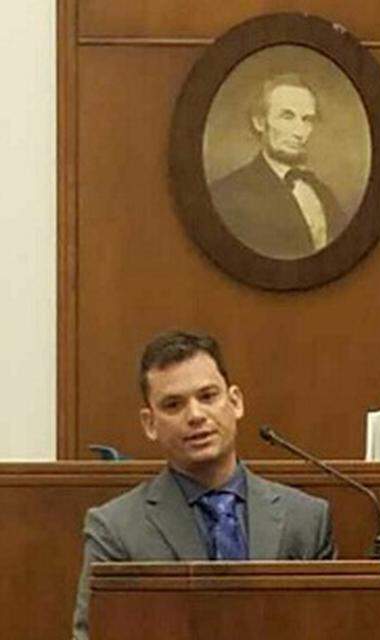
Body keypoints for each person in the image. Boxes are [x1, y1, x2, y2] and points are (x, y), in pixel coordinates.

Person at [72, 331, 335, 640]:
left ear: (235, 402)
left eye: (208, 397)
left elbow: (328, 628)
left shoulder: (306, 519)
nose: (195, 415)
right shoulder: (115, 528)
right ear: (150, 423)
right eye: (173, 405)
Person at [209, 73, 348, 260]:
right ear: (259, 122)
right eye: (287, 116)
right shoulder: (226, 195)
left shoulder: (322, 193)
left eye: (307, 119)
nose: (300, 132)